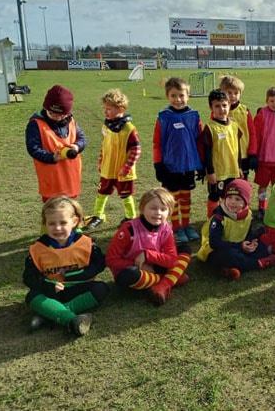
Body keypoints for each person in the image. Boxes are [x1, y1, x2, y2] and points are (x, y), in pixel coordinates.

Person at [23, 196, 109, 336]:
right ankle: (71, 320)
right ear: (45, 223)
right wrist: (48, 286)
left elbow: (100, 263)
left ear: (74, 221)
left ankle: (52, 315)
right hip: (53, 292)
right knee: (32, 296)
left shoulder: (87, 243)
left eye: (63, 222)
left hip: (80, 287)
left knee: (101, 289)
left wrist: (79, 274)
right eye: (51, 224)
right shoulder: (38, 249)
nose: (57, 228)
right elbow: (28, 278)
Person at [106, 188, 191, 306]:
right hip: (134, 274)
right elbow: (111, 260)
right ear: (142, 209)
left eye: (163, 209)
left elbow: (171, 261)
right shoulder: (128, 230)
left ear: (169, 212)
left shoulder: (166, 228)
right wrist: (137, 265)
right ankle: (170, 279)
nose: (158, 213)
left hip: (154, 266)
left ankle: (162, 286)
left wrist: (147, 254)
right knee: (130, 275)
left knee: (185, 249)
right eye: (153, 208)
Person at [197, 179, 275, 280]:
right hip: (217, 249)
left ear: (245, 202)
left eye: (237, 199)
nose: (232, 202)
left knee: (258, 246)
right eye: (229, 197)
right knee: (228, 256)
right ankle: (259, 263)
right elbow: (214, 243)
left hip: (239, 246)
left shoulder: (247, 214)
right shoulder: (219, 218)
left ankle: (233, 268)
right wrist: (240, 246)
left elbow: (247, 233)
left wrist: (250, 243)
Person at [152, 77, 203, 242]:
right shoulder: (163, 117)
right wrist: (158, 164)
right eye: (174, 96)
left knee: (186, 196)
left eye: (181, 95)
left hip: (188, 165)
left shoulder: (194, 116)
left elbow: (200, 141)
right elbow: (156, 143)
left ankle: (186, 225)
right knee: (172, 198)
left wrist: (202, 164)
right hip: (170, 166)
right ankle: (176, 227)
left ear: (188, 95)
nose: (178, 99)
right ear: (168, 96)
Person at [84, 88, 141, 231]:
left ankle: (130, 217)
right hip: (107, 168)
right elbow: (104, 146)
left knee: (126, 196)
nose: (105, 112)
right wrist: (101, 161)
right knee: (102, 192)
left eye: (108, 109)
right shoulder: (106, 126)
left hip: (124, 171)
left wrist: (127, 167)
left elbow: (136, 150)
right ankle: (98, 215)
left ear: (120, 109)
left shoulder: (129, 129)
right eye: (104, 108)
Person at [25, 85, 86, 202]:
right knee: (53, 215)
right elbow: (33, 148)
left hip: (71, 180)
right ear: (46, 108)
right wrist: (52, 157)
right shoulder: (36, 124)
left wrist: (77, 146)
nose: (57, 117)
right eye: (53, 113)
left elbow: (82, 138)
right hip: (52, 182)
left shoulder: (71, 121)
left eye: (61, 114)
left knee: (71, 213)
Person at [200, 89, 244, 218]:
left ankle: (227, 219)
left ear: (229, 105)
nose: (221, 109)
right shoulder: (210, 127)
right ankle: (212, 220)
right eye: (217, 106)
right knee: (214, 196)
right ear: (211, 108)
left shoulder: (234, 125)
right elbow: (207, 152)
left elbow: (238, 148)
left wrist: (239, 166)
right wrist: (210, 171)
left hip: (233, 170)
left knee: (230, 197)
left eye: (224, 105)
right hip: (218, 172)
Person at [253, 86, 275, 218]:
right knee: (263, 184)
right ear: (267, 101)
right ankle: (262, 206)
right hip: (264, 158)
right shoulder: (262, 114)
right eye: (272, 101)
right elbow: (256, 135)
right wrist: (254, 154)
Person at [220, 75, 258, 180]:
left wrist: (253, 153)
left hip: (243, 155)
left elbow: (252, 132)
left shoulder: (245, 111)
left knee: (241, 184)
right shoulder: (218, 111)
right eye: (229, 93)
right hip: (225, 155)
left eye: (236, 93)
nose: (232, 96)